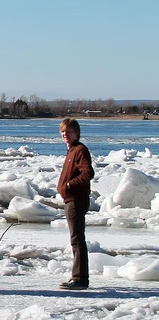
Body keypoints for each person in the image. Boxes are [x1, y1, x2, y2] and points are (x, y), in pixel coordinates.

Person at [57, 117, 94, 290]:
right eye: (63, 131)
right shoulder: (71, 150)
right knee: (75, 239)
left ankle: (80, 279)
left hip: (76, 200)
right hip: (70, 199)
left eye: (69, 131)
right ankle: (77, 276)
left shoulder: (80, 150)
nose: (65, 134)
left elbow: (88, 173)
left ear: (76, 133)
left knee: (77, 240)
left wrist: (70, 184)